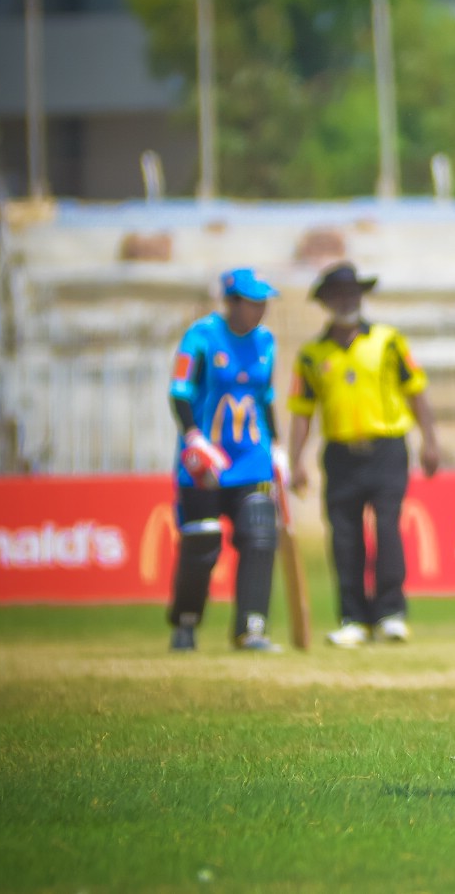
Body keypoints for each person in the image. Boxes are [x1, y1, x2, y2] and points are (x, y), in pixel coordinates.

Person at [287, 262, 441, 648]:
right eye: (338, 294)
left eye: (352, 293)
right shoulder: (312, 355)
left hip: (386, 449)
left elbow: (416, 391)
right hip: (340, 453)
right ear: (325, 301)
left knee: (387, 530)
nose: (347, 300)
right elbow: (302, 411)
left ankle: (390, 614)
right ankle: (353, 617)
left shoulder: (388, 341)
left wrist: (430, 440)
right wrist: (296, 460)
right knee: (345, 537)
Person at [167, 268, 288, 653]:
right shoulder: (201, 336)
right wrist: (193, 436)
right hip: (205, 460)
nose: (261, 309)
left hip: (251, 457)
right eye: (253, 302)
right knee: (202, 541)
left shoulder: (266, 341)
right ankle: (185, 624)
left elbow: (266, 398)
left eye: (263, 302)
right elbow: (179, 391)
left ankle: (251, 627)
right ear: (232, 302)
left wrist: (277, 447)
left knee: (260, 534)